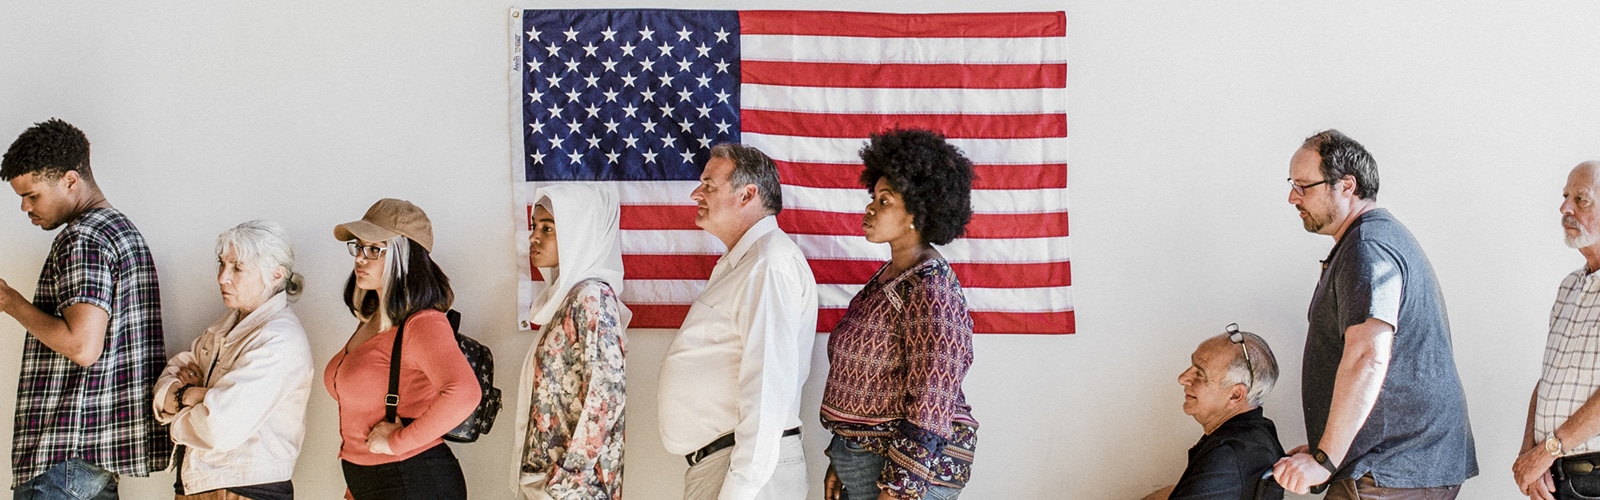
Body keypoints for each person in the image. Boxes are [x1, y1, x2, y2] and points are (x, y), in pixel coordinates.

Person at [1272, 130, 1477, 498]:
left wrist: (1326, 458)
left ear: (1346, 185)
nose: (1292, 197)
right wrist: (1330, 447)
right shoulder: (1371, 240)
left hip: (1390, 469)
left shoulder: (1368, 248)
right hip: (1395, 465)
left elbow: (1368, 356)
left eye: (1304, 186)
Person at [0, 118, 172, 498]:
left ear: (70, 180)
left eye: (32, 195)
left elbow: (82, 346)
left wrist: (9, 302)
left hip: (63, 458)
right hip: (94, 462)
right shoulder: (121, 231)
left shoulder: (83, 238)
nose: (26, 207)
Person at [820, 129, 978, 500]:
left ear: (917, 211)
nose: (870, 208)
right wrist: (841, 455)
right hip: (864, 461)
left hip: (904, 475)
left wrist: (899, 488)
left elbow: (932, 394)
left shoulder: (930, 287)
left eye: (885, 200)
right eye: (872, 197)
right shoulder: (891, 276)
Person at [658, 143, 819, 500]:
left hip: (746, 472)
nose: (696, 193)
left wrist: (739, 490)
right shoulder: (746, 264)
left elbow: (767, 385)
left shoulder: (767, 266)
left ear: (748, 194)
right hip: (727, 465)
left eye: (709, 185)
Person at [325, 198, 478, 500]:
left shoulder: (423, 324)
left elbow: (465, 393)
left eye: (374, 250)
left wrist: (397, 442)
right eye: (358, 247)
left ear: (403, 255)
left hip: (412, 479)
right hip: (371, 481)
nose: (360, 259)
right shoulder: (372, 321)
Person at [153, 220, 313, 499]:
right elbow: (166, 381)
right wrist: (200, 397)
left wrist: (181, 399)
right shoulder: (222, 327)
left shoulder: (278, 341)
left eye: (237, 268)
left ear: (276, 275)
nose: (222, 277)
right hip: (202, 486)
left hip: (241, 493)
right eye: (222, 264)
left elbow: (217, 429)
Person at [513, 184, 630, 499]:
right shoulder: (567, 299)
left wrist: (568, 479)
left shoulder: (593, 297)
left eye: (548, 228)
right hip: (546, 479)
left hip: (571, 488)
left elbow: (606, 394)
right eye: (534, 226)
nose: (533, 237)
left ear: (578, 232)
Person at [1512, 161, 1600, 500]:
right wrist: (1529, 457)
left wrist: (1547, 450)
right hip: (1557, 477)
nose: (1565, 207)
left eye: (1582, 199)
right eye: (1566, 197)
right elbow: (1547, 380)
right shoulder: (1569, 287)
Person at [1145, 324, 1285, 500]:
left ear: (1235, 395)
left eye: (1200, 374)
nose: (1182, 378)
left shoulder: (1228, 456)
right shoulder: (1254, 432)